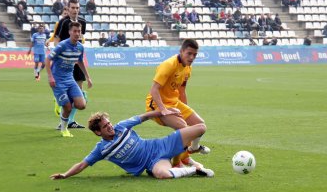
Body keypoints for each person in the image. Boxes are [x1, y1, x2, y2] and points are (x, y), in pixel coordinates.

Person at [50, 110, 214, 180]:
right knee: (162, 175)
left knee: (201, 128)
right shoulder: (102, 149)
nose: (110, 126)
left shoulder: (121, 126)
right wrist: (65, 175)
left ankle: (192, 151)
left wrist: (165, 111)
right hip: (153, 162)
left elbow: (144, 116)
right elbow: (81, 165)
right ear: (98, 132)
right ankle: (194, 169)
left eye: (109, 123)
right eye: (106, 126)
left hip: (162, 145)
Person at [145, 39, 210, 168]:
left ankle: (192, 149)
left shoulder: (187, 68)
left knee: (199, 124)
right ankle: (177, 163)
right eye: (189, 53)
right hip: (157, 104)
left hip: (174, 102)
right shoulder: (169, 65)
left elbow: (182, 90)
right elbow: (154, 89)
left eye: (194, 55)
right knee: (183, 128)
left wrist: (186, 108)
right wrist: (163, 109)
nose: (192, 57)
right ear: (181, 51)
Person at [45, 22, 92, 137]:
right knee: (67, 108)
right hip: (58, 80)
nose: (77, 33)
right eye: (75, 31)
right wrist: (50, 77)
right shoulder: (62, 45)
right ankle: (64, 129)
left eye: (79, 31)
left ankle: (63, 100)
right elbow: (47, 59)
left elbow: (80, 61)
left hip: (69, 79)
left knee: (82, 105)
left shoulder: (80, 47)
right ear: (70, 32)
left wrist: (88, 77)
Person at [53, 0, 87, 129]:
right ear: (68, 8)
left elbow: (81, 37)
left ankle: (71, 120)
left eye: (77, 8)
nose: (75, 10)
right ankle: (61, 115)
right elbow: (57, 39)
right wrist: (57, 56)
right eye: (72, 7)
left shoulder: (83, 22)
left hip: (75, 58)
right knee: (65, 96)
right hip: (63, 61)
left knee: (79, 89)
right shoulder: (63, 22)